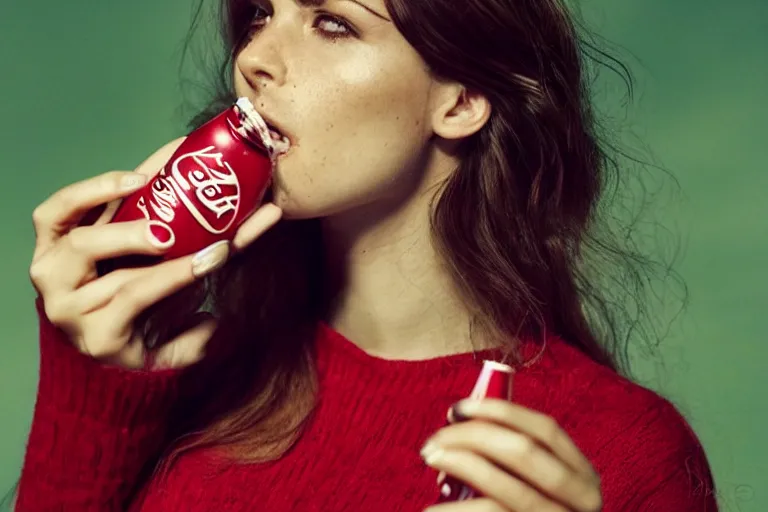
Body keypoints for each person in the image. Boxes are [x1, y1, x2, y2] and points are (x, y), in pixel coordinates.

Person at [10, 0, 718, 510]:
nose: (253, 59)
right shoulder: (190, 374)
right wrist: (95, 395)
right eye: (260, 13)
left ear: (463, 99)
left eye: (331, 22)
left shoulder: (623, 453)